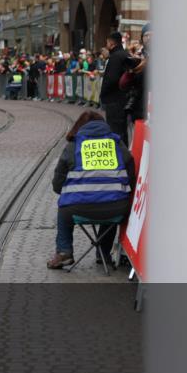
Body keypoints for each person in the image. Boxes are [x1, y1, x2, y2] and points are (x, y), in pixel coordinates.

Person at [47, 111, 136, 269]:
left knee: (63, 209)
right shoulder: (118, 144)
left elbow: (57, 185)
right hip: (116, 209)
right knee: (112, 200)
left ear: (79, 127)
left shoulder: (73, 146)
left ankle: (64, 252)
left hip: (78, 208)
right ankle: (103, 253)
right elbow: (130, 176)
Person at [99, 32, 138, 142]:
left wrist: (104, 94)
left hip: (114, 100)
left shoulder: (115, 57)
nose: (106, 44)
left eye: (107, 42)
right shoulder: (125, 54)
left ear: (111, 43)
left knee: (116, 132)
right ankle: (123, 154)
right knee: (122, 131)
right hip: (123, 99)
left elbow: (111, 79)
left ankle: (119, 156)